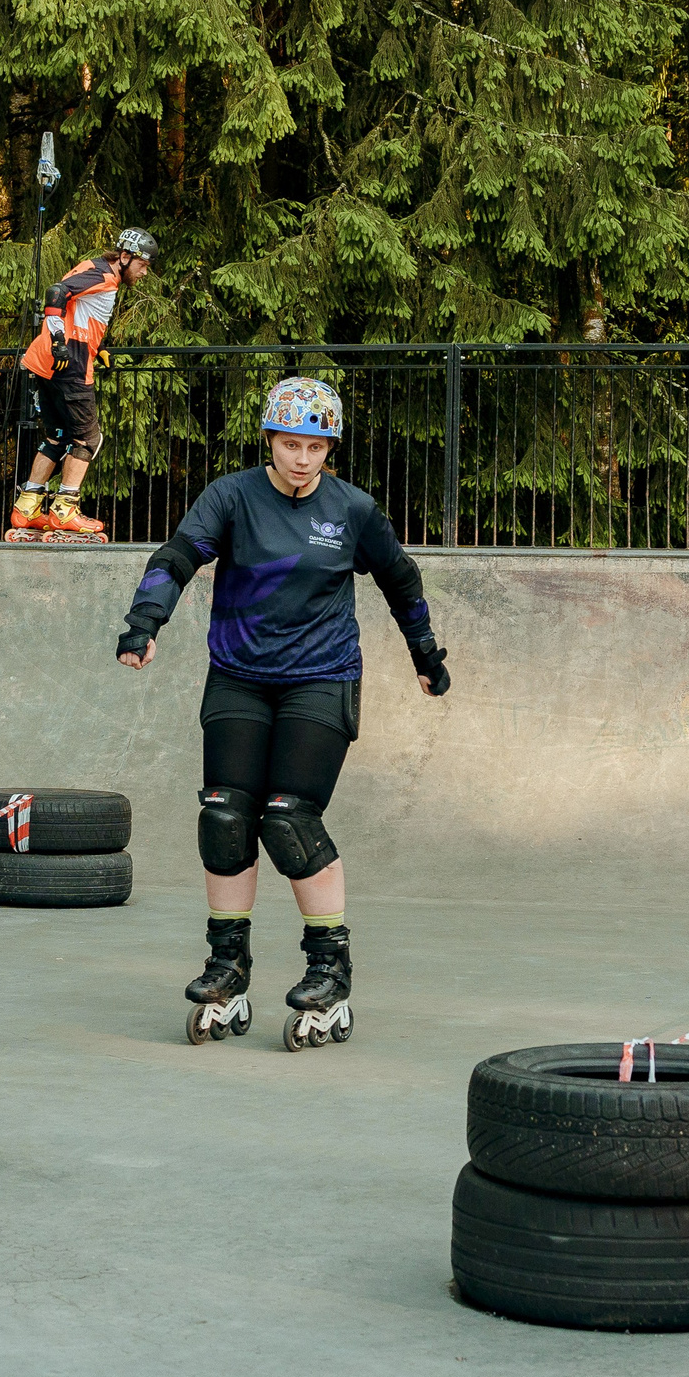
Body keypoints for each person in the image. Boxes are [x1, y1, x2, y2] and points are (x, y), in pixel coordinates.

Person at [113, 376, 452, 1050]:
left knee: (289, 817)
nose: (301, 458)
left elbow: (400, 578)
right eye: (290, 443)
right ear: (269, 441)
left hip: (321, 680)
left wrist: (425, 653)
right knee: (224, 814)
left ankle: (329, 970)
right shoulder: (232, 497)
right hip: (239, 677)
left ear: (330, 448)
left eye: (315, 446)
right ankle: (227, 965)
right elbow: (176, 557)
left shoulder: (352, 510)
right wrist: (144, 622)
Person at [12, 227, 159, 538]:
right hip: (70, 366)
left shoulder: (97, 269)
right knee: (88, 440)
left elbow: (79, 311)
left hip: (47, 363)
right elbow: (56, 292)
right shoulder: (104, 276)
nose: (144, 273)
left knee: (57, 437)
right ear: (125, 257)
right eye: (143, 265)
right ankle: (65, 510)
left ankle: (27, 507)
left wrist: (99, 347)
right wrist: (57, 340)